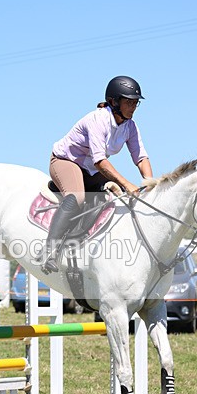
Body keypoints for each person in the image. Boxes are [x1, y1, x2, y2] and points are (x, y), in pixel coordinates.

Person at [42, 75, 154, 273]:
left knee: (111, 199)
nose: (133, 106)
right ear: (113, 101)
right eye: (129, 101)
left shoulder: (130, 126)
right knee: (77, 197)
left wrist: (150, 183)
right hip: (65, 161)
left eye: (136, 102)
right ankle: (48, 251)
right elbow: (100, 161)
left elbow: (141, 157)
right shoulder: (98, 119)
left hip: (89, 170)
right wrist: (128, 184)